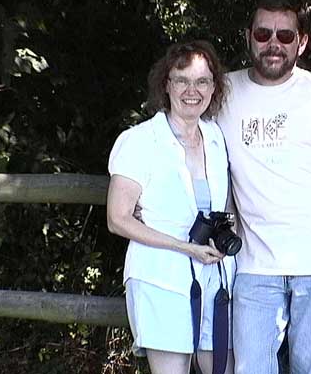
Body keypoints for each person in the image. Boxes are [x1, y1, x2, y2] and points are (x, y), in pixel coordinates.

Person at [216, 0, 311, 374]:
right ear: (248, 36)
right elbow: (183, 137)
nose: (273, 43)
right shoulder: (222, 93)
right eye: (263, 33)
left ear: (301, 42)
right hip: (253, 264)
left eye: (285, 35)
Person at [107, 40, 235, 374]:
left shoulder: (216, 138)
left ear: (214, 88)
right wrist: (184, 247)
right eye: (182, 80)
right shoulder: (139, 141)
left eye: (202, 81)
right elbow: (117, 219)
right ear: (166, 85)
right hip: (161, 279)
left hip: (216, 280)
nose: (192, 90)